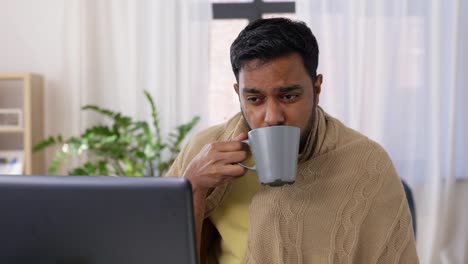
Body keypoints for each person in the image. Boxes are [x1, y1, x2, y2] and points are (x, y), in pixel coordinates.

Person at [167, 18, 418, 263]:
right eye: (255, 99)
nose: (272, 117)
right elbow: (161, 251)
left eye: (288, 96)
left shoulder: (366, 162)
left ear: (316, 89)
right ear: (238, 94)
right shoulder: (206, 151)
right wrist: (193, 187)